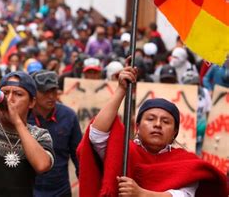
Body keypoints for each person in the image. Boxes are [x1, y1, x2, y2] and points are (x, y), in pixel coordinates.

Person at [78, 66, 228, 196]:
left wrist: (141, 194)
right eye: (150, 119)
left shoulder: (186, 162)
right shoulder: (124, 152)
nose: (157, 124)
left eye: (166, 121)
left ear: (174, 133)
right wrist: (121, 90)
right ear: (137, 126)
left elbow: (183, 195)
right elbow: (96, 135)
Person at [28, 70, 82, 197]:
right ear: (33, 93)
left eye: (53, 91)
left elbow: (79, 156)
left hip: (60, 191)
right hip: (28, 189)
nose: (51, 96)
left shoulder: (69, 116)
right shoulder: (22, 117)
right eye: (45, 92)